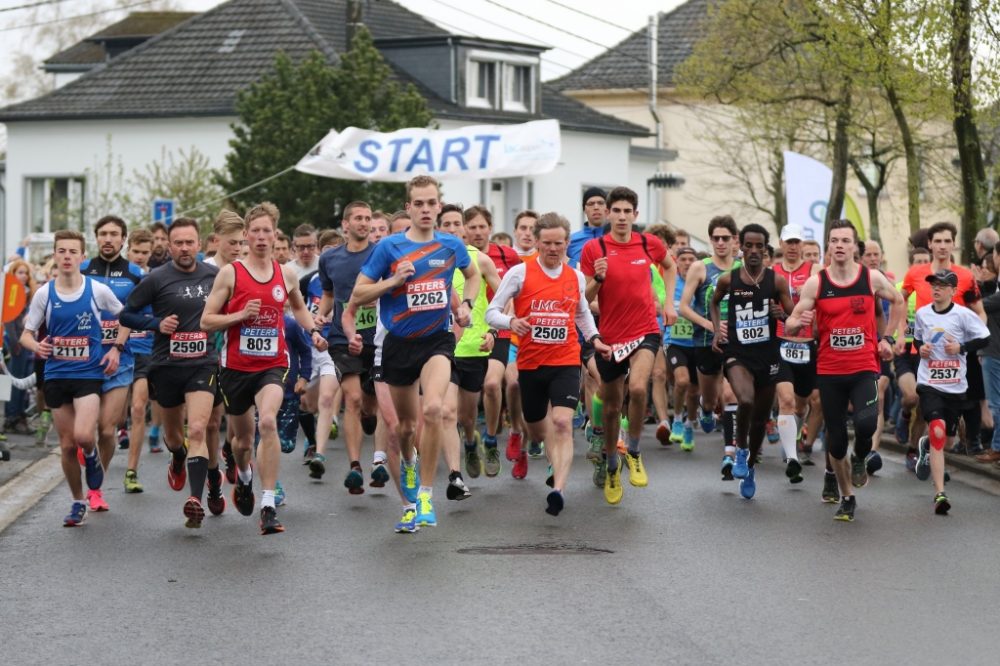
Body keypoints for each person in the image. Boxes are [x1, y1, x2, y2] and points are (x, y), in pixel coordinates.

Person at [351, 175, 479, 532]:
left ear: (439, 206)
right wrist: (392, 282)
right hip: (398, 346)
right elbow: (358, 294)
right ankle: (409, 463)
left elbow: (472, 276)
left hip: (437, 341)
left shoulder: (451, 245)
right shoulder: (389, 248)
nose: (425, 209)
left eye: (431, 203)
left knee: (435, 409)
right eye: (418, 203)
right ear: (408, 207)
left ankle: (424, 494)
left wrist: (466, 305)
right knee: (405, 428)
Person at [201, 202, 328, 535]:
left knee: (268, 421)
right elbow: (206, 320)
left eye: (266, 231)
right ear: (245, 235)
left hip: (273, 364)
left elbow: (299, 309)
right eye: (254, 231)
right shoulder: (231, 273)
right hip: (235, 367)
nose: (260, 237)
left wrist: (313, 331)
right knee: (241, 441)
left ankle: (268, 504)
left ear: (275, 235)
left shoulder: (285, 273)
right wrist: (238, 316)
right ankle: (244, 478)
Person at [486, 212, 610, 514]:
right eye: (547, 244)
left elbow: (582, 313)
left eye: (559, 243)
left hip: (566, 359)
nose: (553, 249)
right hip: (530, 363)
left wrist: (594, 339)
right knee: (539, 428)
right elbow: (492, 312)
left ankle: (559, 489)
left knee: (563, 422)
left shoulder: (576, 276)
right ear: (537, 243)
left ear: (567, 243)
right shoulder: (520, 273)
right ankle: (542, 452)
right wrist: (511, 321)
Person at [785, 220, 904, 522]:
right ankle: (847, 496)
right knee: (836, 441)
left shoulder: (871, 278)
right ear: (829, 246)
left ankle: (861, 457)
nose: (839, 245)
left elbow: (899, 301)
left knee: (865, 426)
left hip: (864, 367)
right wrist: (798, 322)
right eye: (834, 240)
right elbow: (790, 322)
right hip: (829, 371)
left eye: (845, 240)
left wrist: (888, 338)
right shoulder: (817, 283)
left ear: (854, 246)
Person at [121, 218, 229, 527]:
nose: (184, 248)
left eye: (189, 242)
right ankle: (179, 457)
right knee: (173, 437)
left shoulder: (215, 275)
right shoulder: (156, 279)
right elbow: (126, 314)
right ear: (169, 247)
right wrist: (156, 324)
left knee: (197, 428)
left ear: (199, 245)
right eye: (178, 243)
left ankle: (195, 499)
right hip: (166, 366)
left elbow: (233, 308)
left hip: (203, 363)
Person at [580, 186, 677, 505]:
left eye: (627, 211)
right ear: (608, 214)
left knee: (637, 389)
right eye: (616, 211)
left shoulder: (649, 243)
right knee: (609, 407)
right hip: (610, 336)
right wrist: (598, 279)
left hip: (645, 331)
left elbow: (671, 265)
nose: (622, 217)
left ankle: (633, 450)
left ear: (635, 215)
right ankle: (611, 464)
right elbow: (585, 301)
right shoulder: (594, 248)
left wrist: (671, 304)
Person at [20, 230, 123, 526]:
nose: (66, 256)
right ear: (55, 255)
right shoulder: (45, 293)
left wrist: (115, 349)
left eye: (72, 251)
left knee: (83, 436)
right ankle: (78, 501)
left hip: (88, 374)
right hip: (56, 374)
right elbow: (27, 334)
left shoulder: (97, 291)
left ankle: (91, 455)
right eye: (61, 251)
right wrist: (36, 345)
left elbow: (123, 317)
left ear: (81, 257)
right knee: (66, 445)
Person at [709, 224, 794, 499]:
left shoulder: (776, 281)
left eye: (760, 246)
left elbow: (792, 319)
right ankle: (741, 451)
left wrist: (781, 314)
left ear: (766, 250)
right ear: (740, 247)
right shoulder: (728, 279)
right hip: (738, 354)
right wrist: (716, 328)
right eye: (749, 245)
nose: (754, 251)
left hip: (767, 356)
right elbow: (714, 302)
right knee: (744, 399)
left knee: (760, 419)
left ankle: (751, 465)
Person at [315, 202, 384, 490]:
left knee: (371, 402)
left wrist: (376, 297)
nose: (364, 223)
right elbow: (329, 294)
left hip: (377, 337)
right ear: (345, 224)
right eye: (358, 218)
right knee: (353, 399)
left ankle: (373, 432)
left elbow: (393, 288)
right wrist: (322, 312)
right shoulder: (330, 259)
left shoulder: (382, 253)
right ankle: (357, 465)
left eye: (368, 218)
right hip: (343, 337)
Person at [912, 269, 990, 514]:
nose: (936, 289)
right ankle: (939, 493)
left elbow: (985, 338)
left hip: (955, 386)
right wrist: (921, 348)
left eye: (942, 285)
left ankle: (926, 447)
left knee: (947, 440)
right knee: (938, 429)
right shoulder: (923, 314)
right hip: (929, 383)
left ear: (953, 291)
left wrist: (961, 347)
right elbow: (916, 339)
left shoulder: (963, 315)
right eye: (934, 284)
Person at [436, 204, 501, 495]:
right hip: (441, 348)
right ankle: (455, 474)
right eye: (446, 224)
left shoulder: (480, 260)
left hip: (473, 348)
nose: (452, 229)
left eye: (456, 224)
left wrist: (493, 330)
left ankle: (472, 443)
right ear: (438, 228)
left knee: (466, 415)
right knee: (447, 411)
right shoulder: (428, 258)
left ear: (463, 229)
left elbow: (504, 298)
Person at [80, 216, 141, 512]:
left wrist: (119, 345)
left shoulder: (135, 274)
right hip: (83, 360)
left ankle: (95, 487)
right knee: (85, 429)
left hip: (120, 359)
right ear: (95, 238)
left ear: (123, 239)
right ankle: (88, 456)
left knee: (106, 430)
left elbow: (136, 313)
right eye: (102, 233)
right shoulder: (82, 270)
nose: (108, 239)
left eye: (114, 234)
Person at [679, 215, 741, 477]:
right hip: (705, 342)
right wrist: (709, 325)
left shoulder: (742, 269)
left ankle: (730, 453)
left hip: (736, 344)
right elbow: (682, 307)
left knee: (730, 395)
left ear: (734, 240)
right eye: (715, 238)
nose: (720, 242)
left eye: (725, 238)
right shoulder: (700, 268)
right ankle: (705, 409)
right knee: (711, 399)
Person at [463, 205, 521, 474]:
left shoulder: (507, 255)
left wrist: (497, 327)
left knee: (492, 384)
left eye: (482, 226)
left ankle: (490, 438)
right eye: (471, 227)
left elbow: (512, 296)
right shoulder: (458, 256)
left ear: (490, 228)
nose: (477, 232)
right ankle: (470, 439)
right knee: (467, 400)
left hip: (498, 331)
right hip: (465, 334)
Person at [772, 224, 821, 482]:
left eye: (797, 242)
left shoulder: (815, 272)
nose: (792, 247)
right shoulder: (773, 272)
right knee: (787, 401)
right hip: (781, 342)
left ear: (803, 245)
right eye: (788, 242)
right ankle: (792, 458)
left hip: (808, 345)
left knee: (802, 404)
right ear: (781, 243)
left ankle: (791, 430)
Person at [122, 229, 155, 494]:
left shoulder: (154, 280)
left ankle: (132, 470)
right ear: (128, 250)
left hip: (144, 350)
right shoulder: (120, 280)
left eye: (146, 253)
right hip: (117, 351)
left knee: (138, 408)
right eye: (137, 252)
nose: (141, 257)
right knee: (110, 418)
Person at [664, 246, 700, 451]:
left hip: (697, 342)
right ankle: (677, 418)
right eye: (683, 259)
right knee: (682, 380)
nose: (687, 263)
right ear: (676, 262)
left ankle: (689, 424)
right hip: (675, 340)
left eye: (691, 259)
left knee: (694, 392)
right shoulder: (671, 283)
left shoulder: (701, 282)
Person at [568, 187, 608, 268]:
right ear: (584, 210)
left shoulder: (616, 238)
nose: (596, 207)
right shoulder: (570, 241)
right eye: (591, 204)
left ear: (607, 208)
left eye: (600, 203)